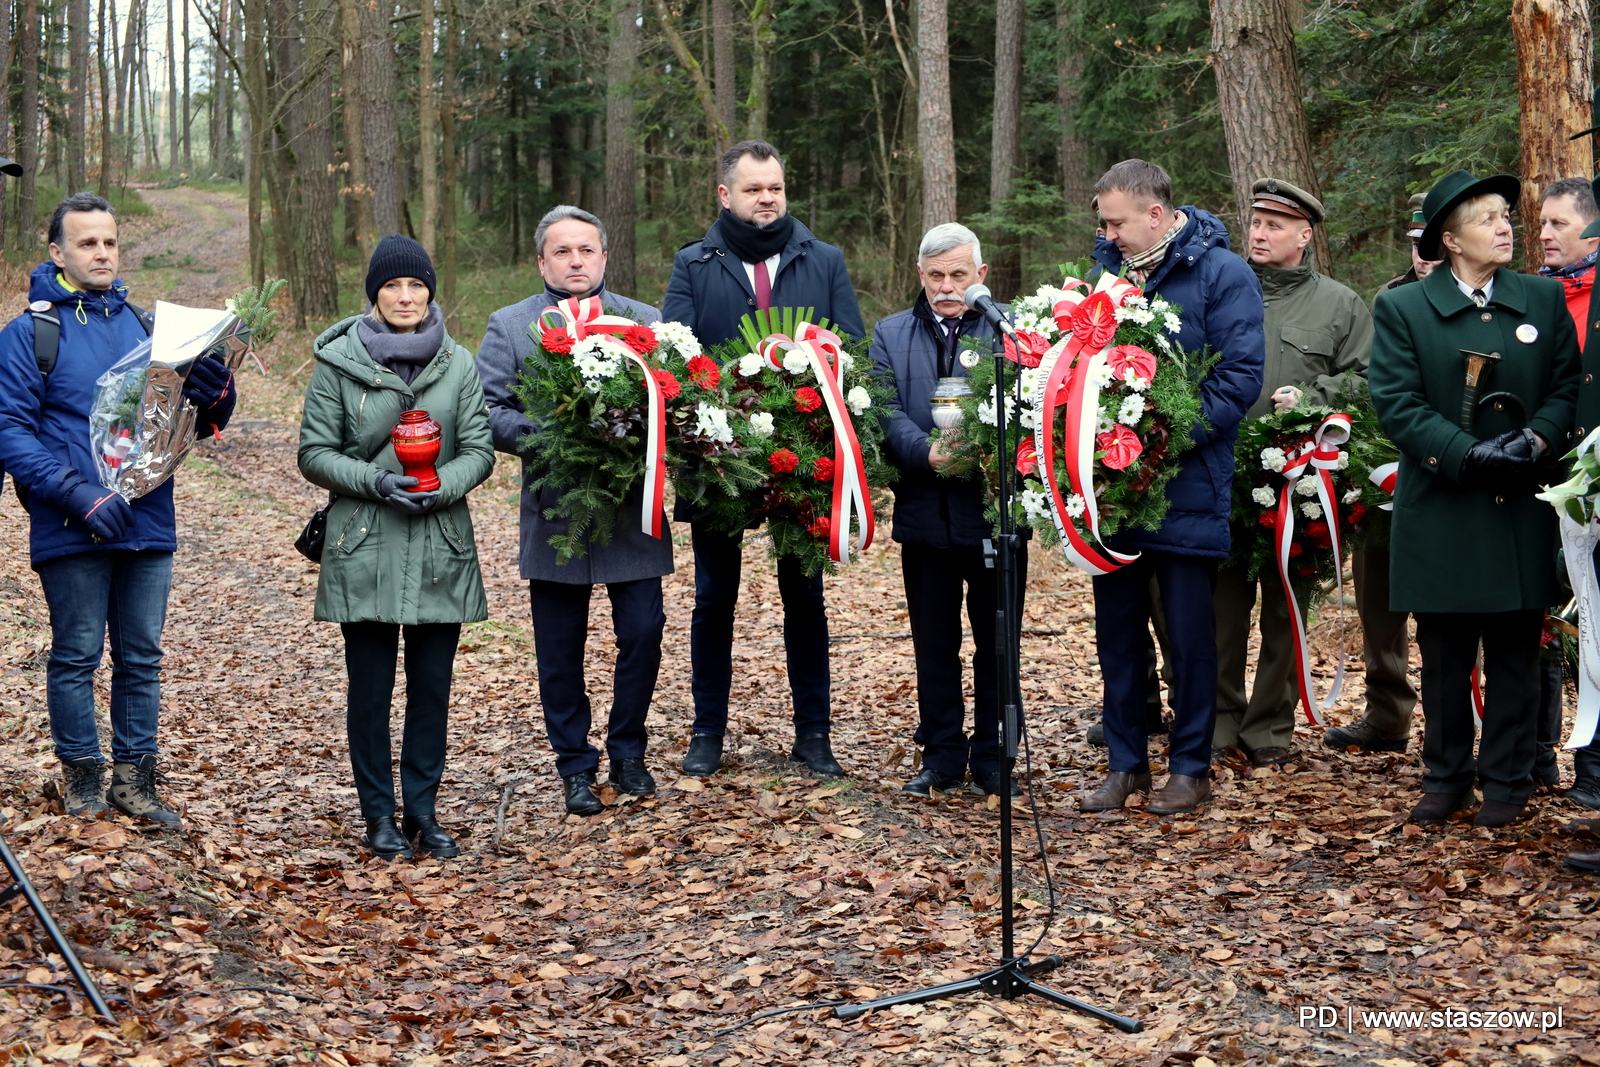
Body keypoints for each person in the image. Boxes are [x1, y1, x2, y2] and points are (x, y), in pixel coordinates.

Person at [0, 192, 235, 827]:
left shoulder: (148, 328)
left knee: (142, 655)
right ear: (57, 253)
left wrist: (218, 395)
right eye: (86, 243)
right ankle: (82, 776)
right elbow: (11, 431)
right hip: (69, 519)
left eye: (108, 241)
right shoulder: (31, 335)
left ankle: (136, 779)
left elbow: (187, 423)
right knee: (77, 652)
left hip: (148, 517)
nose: (100, 252)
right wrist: (79, 493)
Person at [1368, 170, 1579, 828]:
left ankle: (1509, 779)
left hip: (1519, 501)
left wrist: (1538, 441)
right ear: (1450, 240)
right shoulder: (1404, 308)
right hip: (1443, 505)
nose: (1506, 226)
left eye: (1504, 215)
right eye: (1487, 218)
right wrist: (1465, 455)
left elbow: (1568, 385)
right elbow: (1397, 404)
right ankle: (1446, 775)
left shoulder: (1541, 300)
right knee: (1445, 654)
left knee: (1517, 650)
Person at [662, 140, 865, 778]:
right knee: (712, 596)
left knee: (804, 598)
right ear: (726, 195)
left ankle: (814, 735)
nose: (767, 199)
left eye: (774, 187)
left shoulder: (823, 259)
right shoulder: (694, 264)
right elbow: (675, 355)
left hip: (803, 460)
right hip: (719, 456)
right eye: (753, 189)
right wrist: (719, 421)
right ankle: (707, 733)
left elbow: (851, 348)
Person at [1078, 159, 1265, 815]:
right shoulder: (1105, 275)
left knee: (1190, 639)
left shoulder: (1222, 274)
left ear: (1156, 214)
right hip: (1113, 491)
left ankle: (1190, 766)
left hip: (1187, 483)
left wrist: (1159, 439)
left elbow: (1238, 379)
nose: (1107, 232)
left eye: (1116, 221)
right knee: (1118, 636)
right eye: (1103, 221)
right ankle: (1125, 764)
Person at [298, 235, 494, 859]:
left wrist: (440, 487)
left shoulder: (458, 363)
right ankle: (379, 816)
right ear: (375, 295)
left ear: (430, 292)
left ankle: (424, 813)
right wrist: (377, 481)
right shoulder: (338, 363)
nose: (406, 297)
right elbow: (314, 454)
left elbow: (480, 451)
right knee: (371, 690)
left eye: (416, 286)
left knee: (432, 688)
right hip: (364, 542)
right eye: (393, 287)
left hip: (439, 542)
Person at [476, 205, 671, 817]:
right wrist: (553, 435)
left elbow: (676, 398)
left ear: (605, 257)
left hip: (630, 509)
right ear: (542, 261)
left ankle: (628, 750)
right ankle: (575, 766)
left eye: (586, 250)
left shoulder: (645, 320)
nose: (575, 261)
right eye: (562, 251)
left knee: (643, 631)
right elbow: (488, 410)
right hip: (555, 511)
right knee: (558, 648)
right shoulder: (511, 326)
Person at [1213, 178, 1370, 768]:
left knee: (1285, 612)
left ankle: (1269, 731)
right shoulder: (1224, 290)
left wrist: (1311, 395)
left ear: (1304, 236)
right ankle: (1218, 723)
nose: (1258, 232)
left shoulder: (1339, 304)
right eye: (1255, 222)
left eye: (1275, 225)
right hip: (1225, 481)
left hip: (1299, 489)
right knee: (1219, 613)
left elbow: (1366, 378)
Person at [870, 223, 1024, 798]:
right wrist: (926, 452)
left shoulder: (1011, 330)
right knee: (934, 643)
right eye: (935, 275)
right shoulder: (890, 333)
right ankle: (940, 756)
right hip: (924, 512)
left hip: (993, 516)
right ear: (920, 276)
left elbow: (1032, 402)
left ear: (981, 275)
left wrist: (985, 451)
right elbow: (885, 410)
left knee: (997, 641)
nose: (947, 286)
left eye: (959, 274)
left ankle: (991, 757)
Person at [1324, 194, 1429, 757]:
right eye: (1414, 245)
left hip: (1452, 475)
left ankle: (1453, 725)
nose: (1423, 256)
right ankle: (1387, 715)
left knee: (1450, 613)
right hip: (1384, 475)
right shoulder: (1389, 300)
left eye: (1432, 241)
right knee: (1378, 603)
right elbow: (1367, 386)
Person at [1565, 177, 1600, 814]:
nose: (1543, 234)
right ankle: (1591, 769)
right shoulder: (1546, 298)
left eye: (1558, 223)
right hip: (1568, 493)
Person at [1377, 194, 1442, 295]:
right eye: (1417, 246)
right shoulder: (1391, 295)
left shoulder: (1472, 297)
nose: (1421, 260)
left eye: (1434, 248)